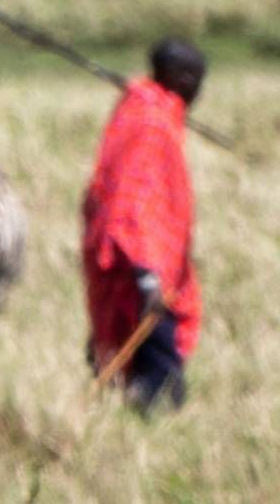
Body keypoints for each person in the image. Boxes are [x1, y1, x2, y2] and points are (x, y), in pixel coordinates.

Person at [82, 38, 206, 413]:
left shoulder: (144, 109)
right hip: (140, 268)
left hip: (135, 262)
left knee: (144, 366)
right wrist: (149, 275)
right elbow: (137, 205)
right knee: (162, 384)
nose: (199, 90)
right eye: (196, 79)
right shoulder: (151, 123)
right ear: (179, 77)